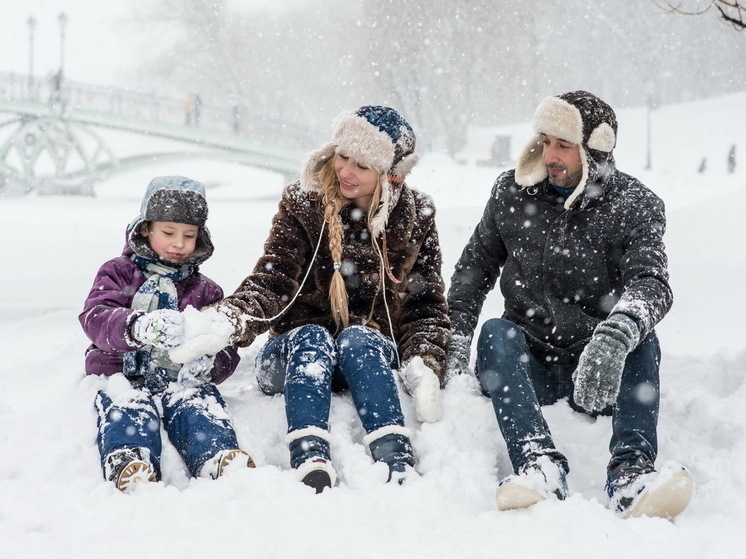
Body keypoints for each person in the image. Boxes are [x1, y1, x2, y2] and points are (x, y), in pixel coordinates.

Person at [174, 105, 450, 492]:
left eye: (362, 165)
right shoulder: (303, 202)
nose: (345, 172)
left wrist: (425, 360)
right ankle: (309, 454)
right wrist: (229, 318)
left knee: (360, 337)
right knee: (312, 337)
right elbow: (274, 279)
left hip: (365, 358)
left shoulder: (417, 213)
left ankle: (395, 455)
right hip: (295, 355)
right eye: (343, 156)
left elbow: (426, 303)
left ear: (391, 175)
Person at [446, 90, 694, 519]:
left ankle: (631, 475)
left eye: (563, 145)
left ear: (593, 151)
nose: (550, 155)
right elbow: (472, 272)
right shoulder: (510, 193)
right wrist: (453, 339)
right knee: (494, 333)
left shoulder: (634, 205)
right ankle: (538, 464)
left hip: (599, 372)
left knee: (642, 336)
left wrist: (615, 337)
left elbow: (652, 282)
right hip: (528, 367)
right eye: (544, 141)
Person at [79, 176, 255, 492]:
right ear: (146, 228)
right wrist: (136, 326)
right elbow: (96, 316)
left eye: (189, 235)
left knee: (198, 403)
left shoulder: (206, 290)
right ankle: (131, 458)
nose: (179, 243)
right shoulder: (118, 272)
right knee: (128, 405)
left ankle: (216, 455)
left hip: (179, 379)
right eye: (169, 233)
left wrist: (211, 364)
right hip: (120, 373)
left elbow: (225, 346)